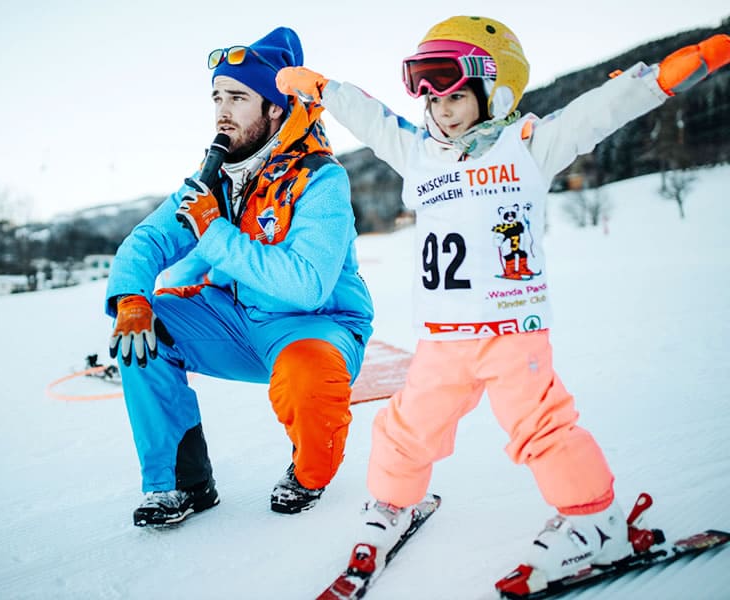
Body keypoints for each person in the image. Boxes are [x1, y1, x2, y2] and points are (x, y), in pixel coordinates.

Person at [276, 16, 730, 593]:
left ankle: (595, 521)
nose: (441, 109)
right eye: (431, 96)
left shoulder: (529, 146)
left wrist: (659, 79)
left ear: (498, 92)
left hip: (511, 330)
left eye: (457, 94)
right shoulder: (419, 154)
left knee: (540, 427)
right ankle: (393, 504)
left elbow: (596, 111)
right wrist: (325, 90)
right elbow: (371, 116)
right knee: (406, 427)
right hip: (443, 337)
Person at [105, 26, 373, 527]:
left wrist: (213, 231)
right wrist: (131, 298)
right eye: (217, 98)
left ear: (275, 106)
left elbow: (308, 284)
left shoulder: (321, 179)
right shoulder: (218, 174)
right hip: (236, 320)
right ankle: (183, 485)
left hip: (314, 325)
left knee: (306, 377)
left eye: (238, 97)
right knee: (142, 334)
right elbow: (148, 240)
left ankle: (310, 473)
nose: (222, 111)